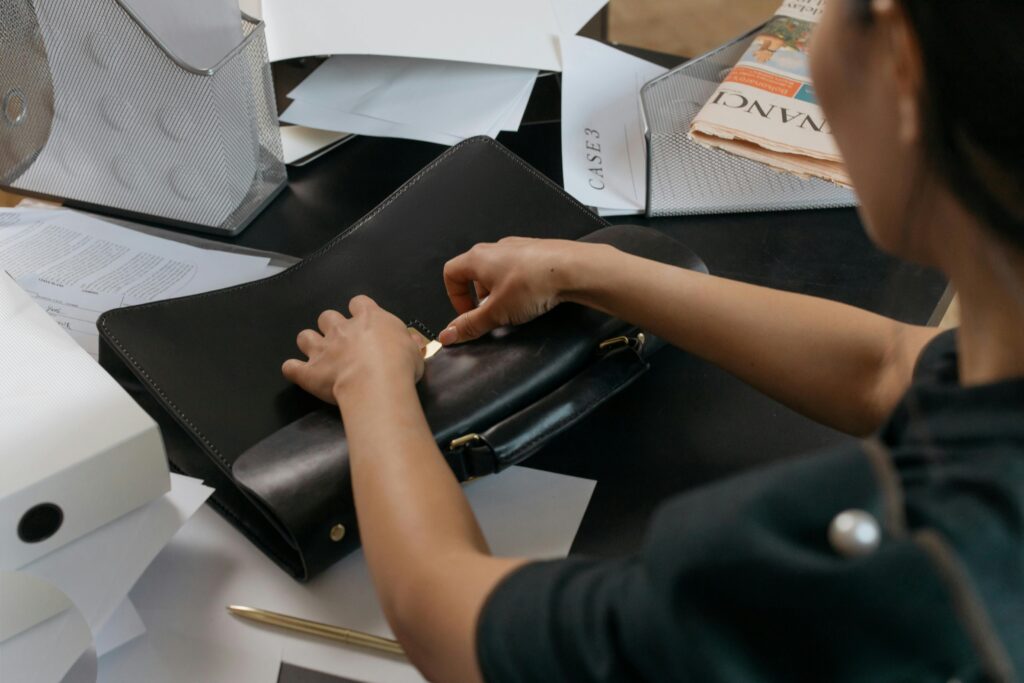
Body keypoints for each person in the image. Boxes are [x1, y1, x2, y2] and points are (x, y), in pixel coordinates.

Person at [281, 0, 1024, 679]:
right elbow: (891, 368)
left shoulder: (866, 566)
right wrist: (600, 270)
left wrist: (372, 385)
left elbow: (445, 616)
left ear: (899, 63)